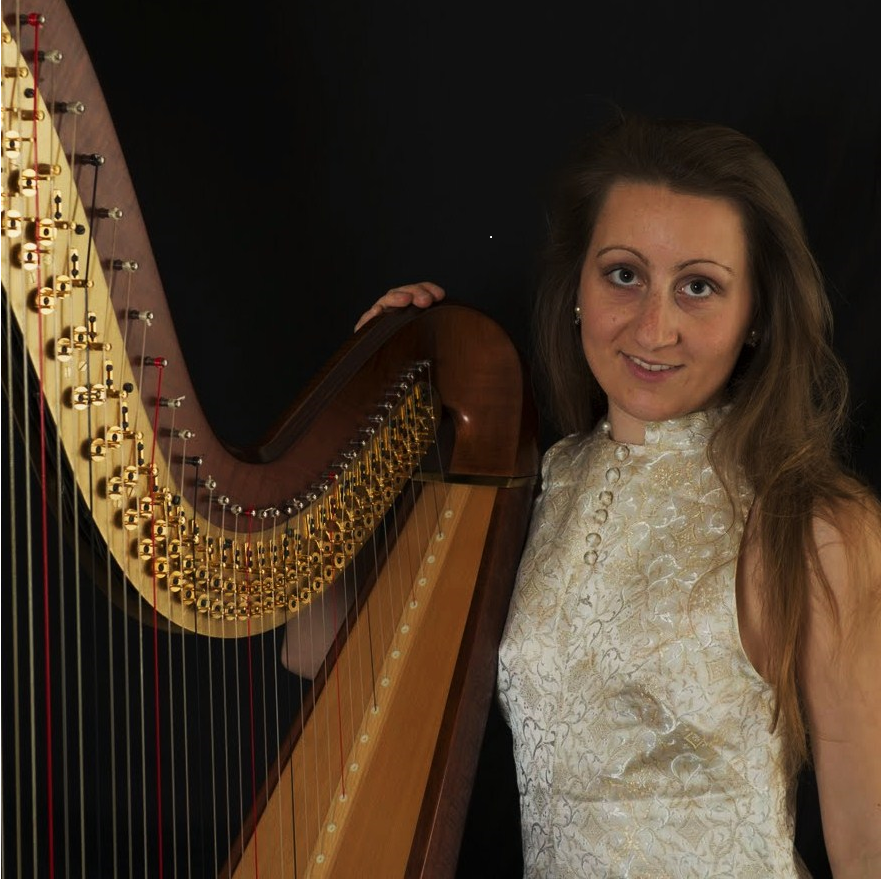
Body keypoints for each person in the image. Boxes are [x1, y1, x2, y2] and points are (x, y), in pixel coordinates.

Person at [354, 115, 881, 877]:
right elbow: (321, 655)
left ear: (757, 315)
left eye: (697, 287)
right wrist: (371, 398)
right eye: (624, 275)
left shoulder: (818, 526)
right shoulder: (530, 488)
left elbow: (869, 847)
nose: (653, 328)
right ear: (576, 287)